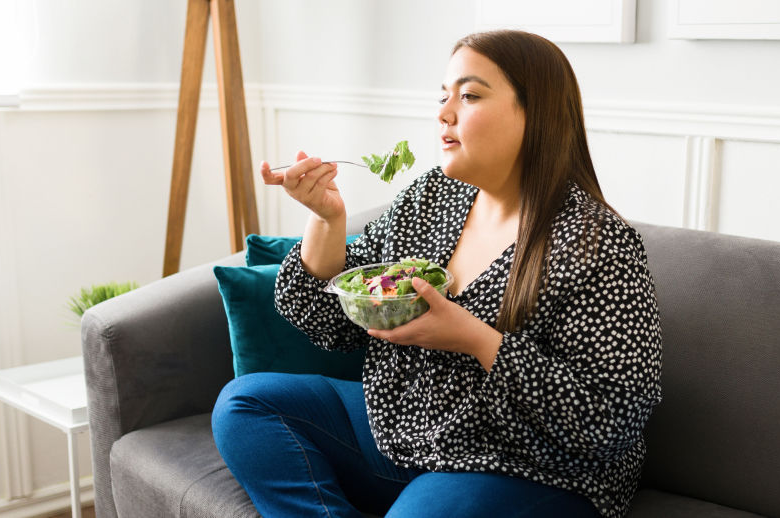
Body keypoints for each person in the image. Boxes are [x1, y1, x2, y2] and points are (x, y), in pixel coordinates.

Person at [212, 30, 662, 518]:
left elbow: (610, 419)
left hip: (524, 464)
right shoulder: (430, 198)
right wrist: (327, 221)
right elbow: (331, 324)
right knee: (244, 405)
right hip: (406, 429)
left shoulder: (597, 244)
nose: (444, 113)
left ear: (536, 114)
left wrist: (475, 339)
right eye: (443, 96)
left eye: (469, 96)